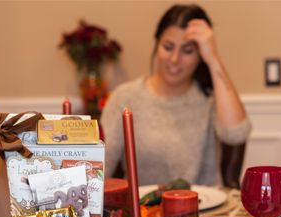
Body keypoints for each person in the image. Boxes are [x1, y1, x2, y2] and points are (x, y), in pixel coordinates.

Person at [101, 4, 251, 186]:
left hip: (206, 211)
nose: (174, 59)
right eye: (168, 47)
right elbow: (101, 168)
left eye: (187, 51)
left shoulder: (211, 99)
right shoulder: (125, 98)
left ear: (200, 55)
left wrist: (213, 57)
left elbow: (236, 134)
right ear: (156, 44)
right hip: (144, 210)